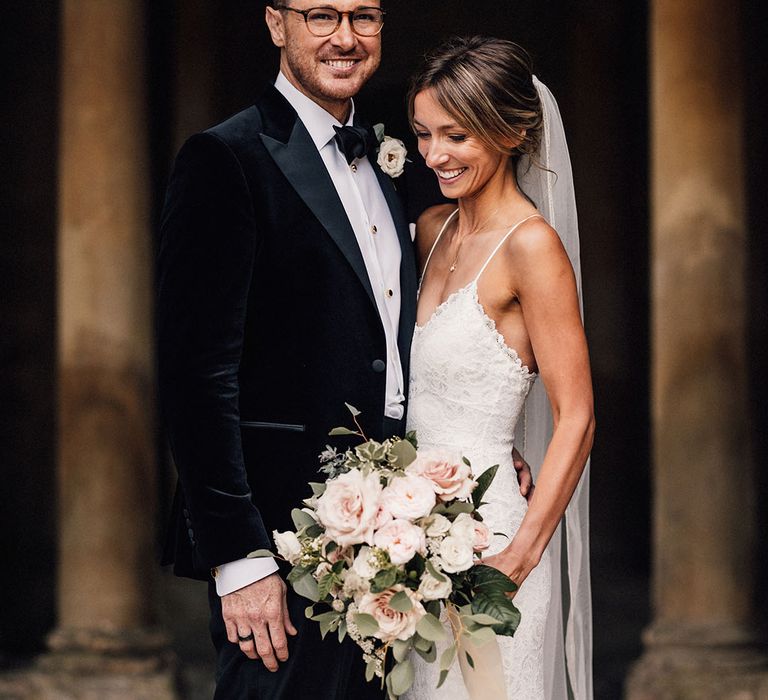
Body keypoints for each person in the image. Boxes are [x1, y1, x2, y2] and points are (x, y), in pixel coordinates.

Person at [156, 5, 534, 698]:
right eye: (321, 14)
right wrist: (239, 560)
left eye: (363, 15)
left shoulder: (399, 155)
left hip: (404, 540)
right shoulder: (224, 160)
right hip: (280, 545)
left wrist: (473, 432)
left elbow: (407, 332)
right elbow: (194, 378)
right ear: (275, 24)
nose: (344, 36)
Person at [403, 37, 595, 699]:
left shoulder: (532, 247)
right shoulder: (429, 230)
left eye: (455, 135)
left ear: (511, 131)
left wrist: (521, 556)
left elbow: (577, 417)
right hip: (401, 535)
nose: (433, 155)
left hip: (491, 543)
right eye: (423, 134)